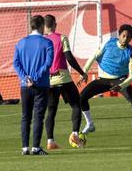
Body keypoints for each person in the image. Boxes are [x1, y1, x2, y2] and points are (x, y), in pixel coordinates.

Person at [79, 24, 132, 137]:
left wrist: (121, 86)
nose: (125, 39)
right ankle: (90, 124)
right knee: (81, 98)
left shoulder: (130, 53)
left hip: (120, 80)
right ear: (119, 35)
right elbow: (94, 56)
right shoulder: (108, 43)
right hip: (103, 79)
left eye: (128, 37)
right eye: (123, 36)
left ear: (131, 38)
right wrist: (84, 72)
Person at [42, 14, 88, 150]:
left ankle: (50, 141)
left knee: (51, 111)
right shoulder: (61, 38)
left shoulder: (41, 40)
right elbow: (69, 58)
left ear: (44, 26)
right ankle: (75, 134)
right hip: (63, 78)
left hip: (48, 81)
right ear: (55, 25)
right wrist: (82, 72)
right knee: (76, 105)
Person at [12, 14, 54, 156]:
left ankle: (25, 148)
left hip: (25, 86)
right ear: (42, 26)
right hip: (41, 84)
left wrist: (25, 78)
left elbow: (16, 63)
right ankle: (36, 147)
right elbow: (48, 63)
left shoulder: (21, 43)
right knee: (38, 117)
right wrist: (35, 78)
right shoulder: (47, 43)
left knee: (25, 116)